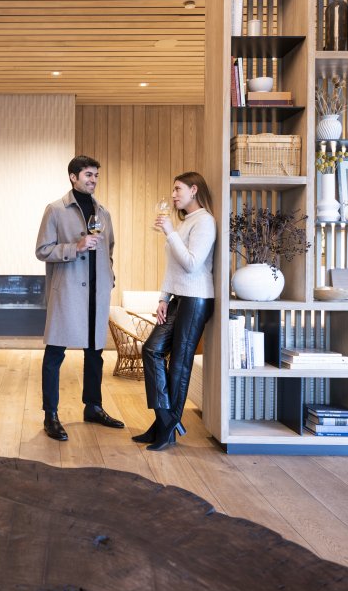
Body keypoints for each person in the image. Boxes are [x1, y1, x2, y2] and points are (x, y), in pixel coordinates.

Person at [35, 155, 124, 441]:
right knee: (54, 354)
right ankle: (51, 414)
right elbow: (42, 250)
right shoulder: (55, 210)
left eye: (96, 175)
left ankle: (93, 407)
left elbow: (108, 249)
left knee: (95, 353)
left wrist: (109, 276)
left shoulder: (104, 212)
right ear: (73, 177)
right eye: (88, 175)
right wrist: (76, 246)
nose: (93, 180)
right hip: (69, 292)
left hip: (97, 293)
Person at [134, 171, 216, 451]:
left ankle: (165, 428)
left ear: (194, 190)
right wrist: (163, 298)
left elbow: (193, 264)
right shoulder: (184, 223)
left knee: (179, 363)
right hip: (179, 298)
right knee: (151, 349)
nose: (173, 195)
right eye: (173, 190)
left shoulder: (205, 221)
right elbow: (174, 266)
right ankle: (166, 420)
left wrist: (170, 233)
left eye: (178, 189)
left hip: (196, 299)